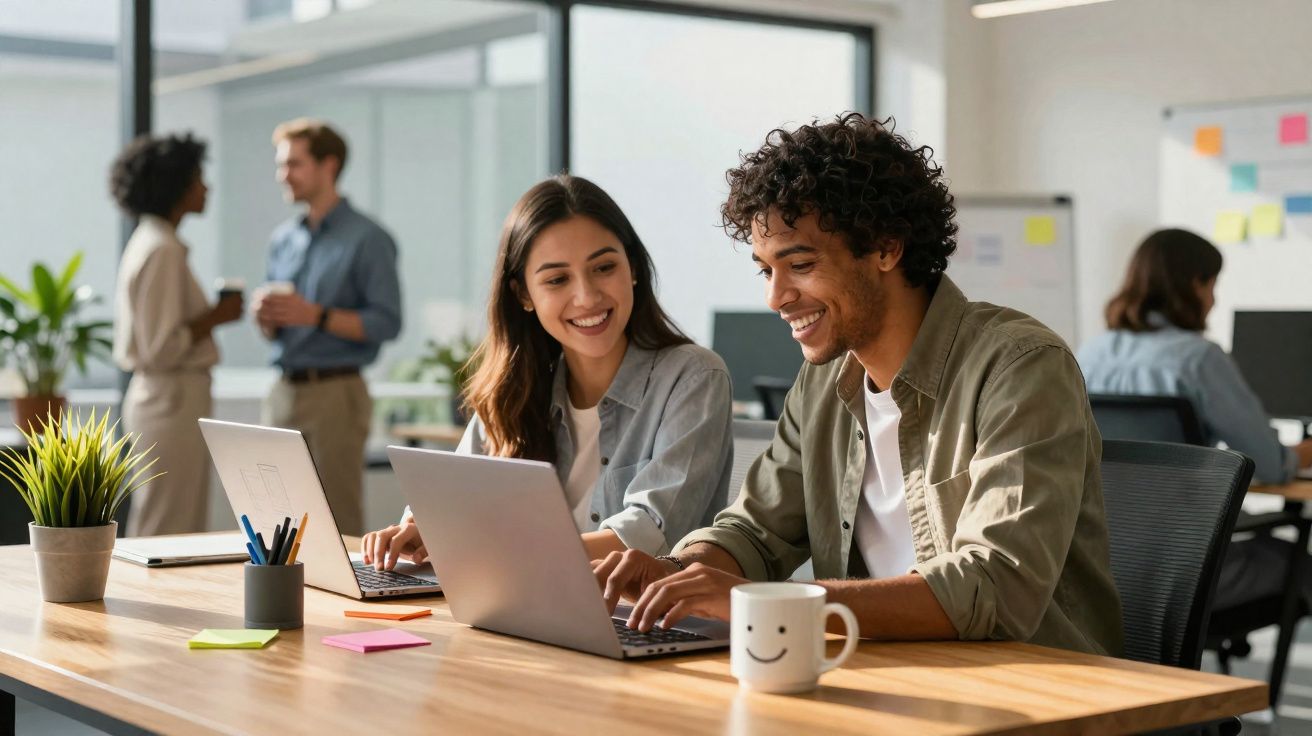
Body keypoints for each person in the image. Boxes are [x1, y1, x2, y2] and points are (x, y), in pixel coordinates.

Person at [593, 113, 1124, 657]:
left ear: (886, 249)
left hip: (1035, 693)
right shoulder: (822, 381)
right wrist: (675, 573)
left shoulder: (1020, 366)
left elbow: (994, 585)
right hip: (881, 676)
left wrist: (766, 602)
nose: (776, 297)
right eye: (765, 270)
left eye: (798, 263)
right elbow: (754, 532)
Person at [361, 174, 734, 568]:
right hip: (520, 610)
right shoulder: (515, 388)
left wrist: (505, 554)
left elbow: (650, 533)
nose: (587, 297)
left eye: (604, 267)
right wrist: (423, 528)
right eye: (557, 279)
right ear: (524, 294)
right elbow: (452, 496)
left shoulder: (693, 377)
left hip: (638, 619)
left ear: (634, 269)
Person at [1078, 227, 1312, 609]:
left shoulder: (1089, 354)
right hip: (1184, 572)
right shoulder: (1198, 359)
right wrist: (1304, 452)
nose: (1214, 299)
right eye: (1212, 284)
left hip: (1100, 569)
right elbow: (1270, 465)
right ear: (1193, 284)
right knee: (1299, 562)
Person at [252, 119, 402, 536]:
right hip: (283, 390)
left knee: (335, 520)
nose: (283, 174)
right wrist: (266, 319)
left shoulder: (369, 239)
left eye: (294, 164)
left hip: (337, 394)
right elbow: (281, 327)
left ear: (328, 165)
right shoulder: (283, 240)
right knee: (271, 516)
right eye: (282, 165)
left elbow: (387, 322)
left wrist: (315, 314)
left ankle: (346, 599)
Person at [110, 133, 243, 536]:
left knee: (168, 517)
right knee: (170, 525)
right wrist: (216, 316)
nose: (206, 187)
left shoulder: (150, 241)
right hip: (171, 399)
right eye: (198, 177)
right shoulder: (162, 249)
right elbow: (162, 347)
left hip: (164, 398)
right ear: (177, 185)